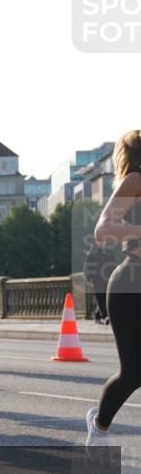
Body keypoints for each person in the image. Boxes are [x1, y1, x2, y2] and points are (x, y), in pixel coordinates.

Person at [87, 129, 141, 446]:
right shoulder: (135, 180)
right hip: (132, 282)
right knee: (134, 373)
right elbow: (103, 229)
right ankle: (100, 427)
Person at [83, 241, 115, 325]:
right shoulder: (91, 253)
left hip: (107, 279)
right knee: (100, 297)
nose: (102, 243)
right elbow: (87, 266)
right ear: (96, 242)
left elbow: (114, 264)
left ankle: (98, 317)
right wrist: (88, 278)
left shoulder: (109, 252)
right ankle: (105, 316)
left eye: (103, 241)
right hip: (96, 279)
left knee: (104, 297)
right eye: (100, 241)